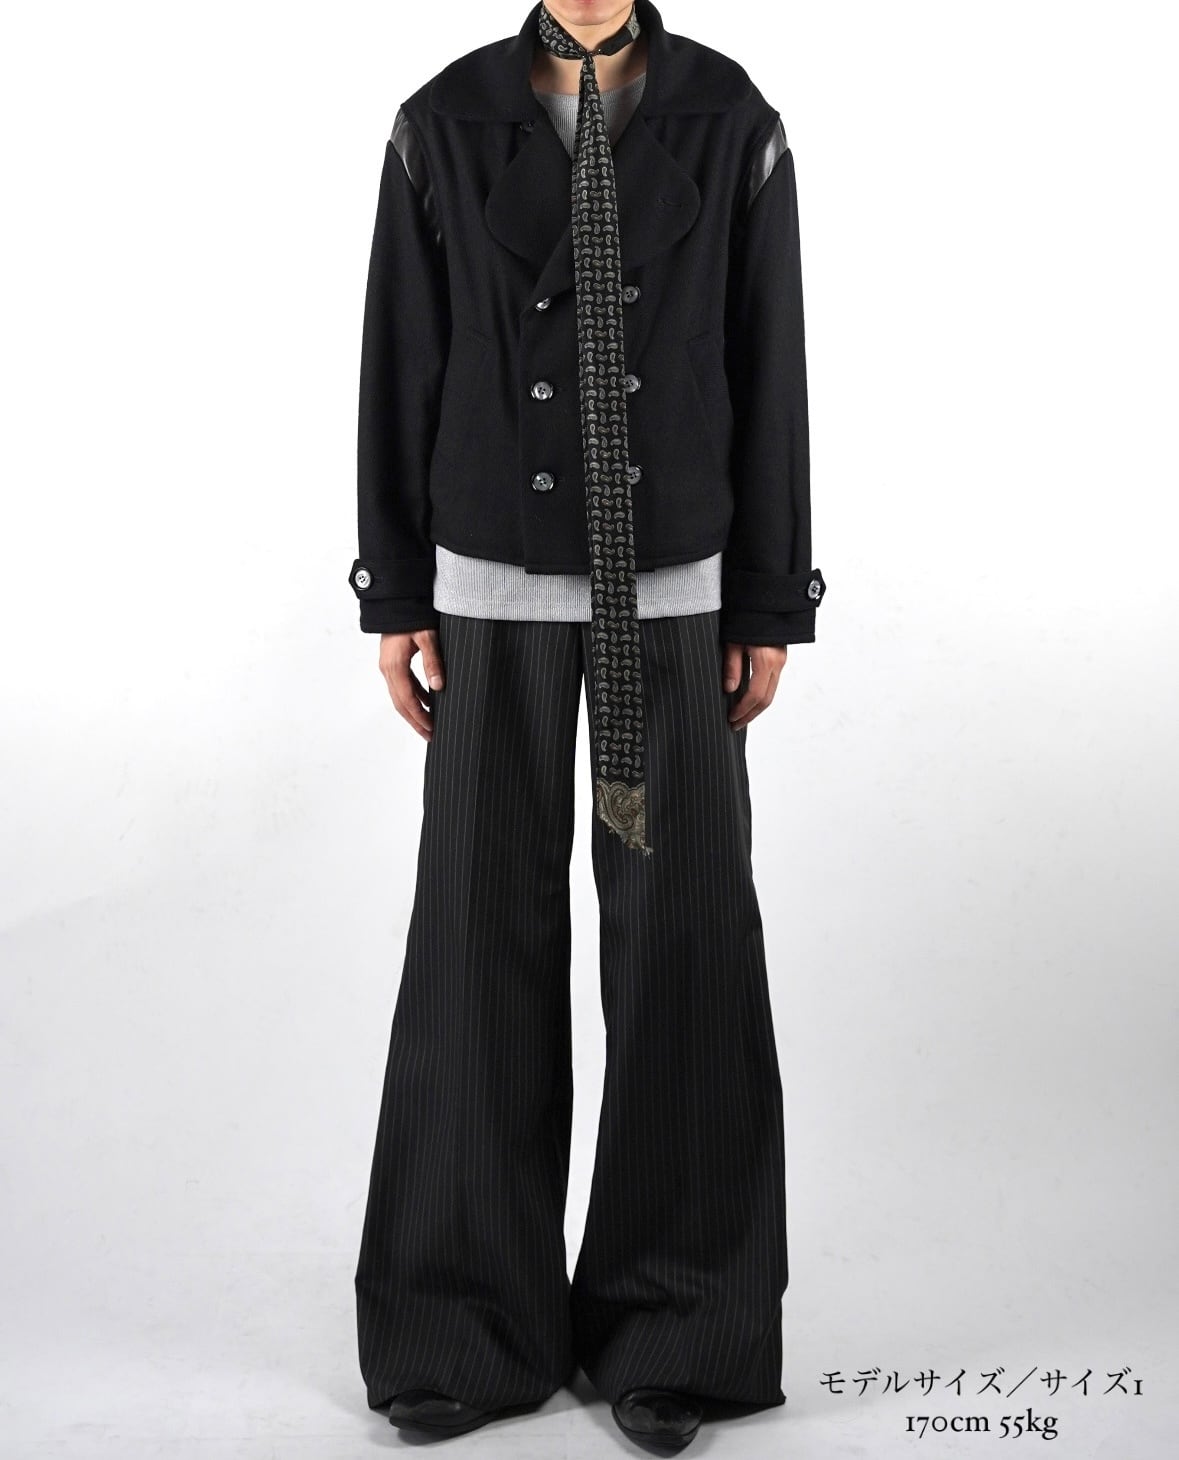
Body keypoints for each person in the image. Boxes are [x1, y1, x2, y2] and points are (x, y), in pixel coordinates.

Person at [348, 0, 826, 1448]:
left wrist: (767, 598)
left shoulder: (731, 115)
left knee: (683, 940)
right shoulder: (442, 119)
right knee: (474, 941)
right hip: (488, 584)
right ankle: (461, 1323)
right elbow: (399, 355)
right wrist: (396, 590)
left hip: (670, 592)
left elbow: (770, 363)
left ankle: (682, 1322)